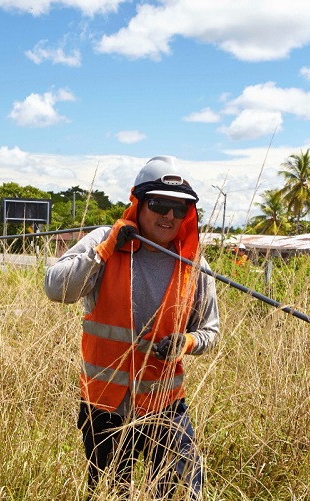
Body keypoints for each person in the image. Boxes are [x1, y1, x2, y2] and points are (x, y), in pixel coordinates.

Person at [44, 155, 220, 499]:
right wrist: (105, 250)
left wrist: (186, 342)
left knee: (181, 490)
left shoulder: (194, 263)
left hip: (164, 403)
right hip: (105, 404)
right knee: (112, 492)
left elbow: (211, 332)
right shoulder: (104, 241)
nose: (169, 216)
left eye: (179, 209)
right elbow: (55, 288)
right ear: (138, 203)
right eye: (159, 204)